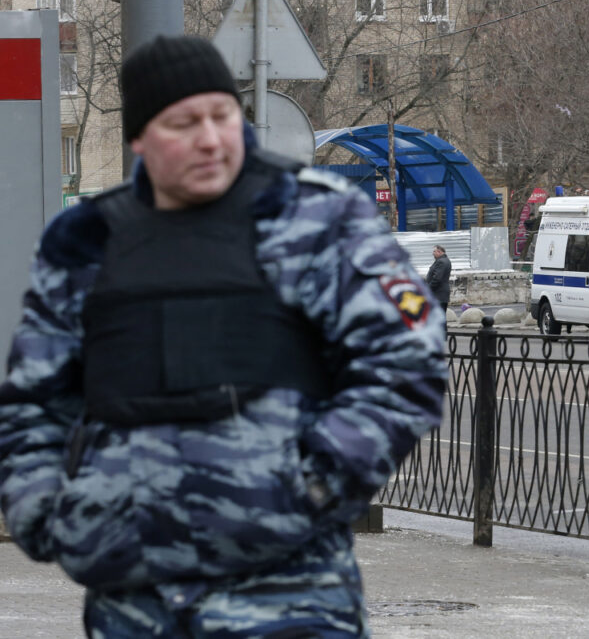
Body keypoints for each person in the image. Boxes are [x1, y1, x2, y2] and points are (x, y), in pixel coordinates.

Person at [0, 35, 446, 636]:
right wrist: (48, 517)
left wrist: (308, 490)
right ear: (139, 138)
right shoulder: (84, 242)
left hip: (289, 598)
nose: (210, 139)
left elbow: (407, 365)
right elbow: (32, 402)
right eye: (183, 123)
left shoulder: (318, 219)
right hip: (134, 602)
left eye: (222, 115)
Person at [427, 244, 452, 311]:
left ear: (439, 252)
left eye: (434, 251)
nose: (433, 253)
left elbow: (437, 278)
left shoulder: (441, 262)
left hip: (439, 294)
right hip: (440, 294)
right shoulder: (444, 260)